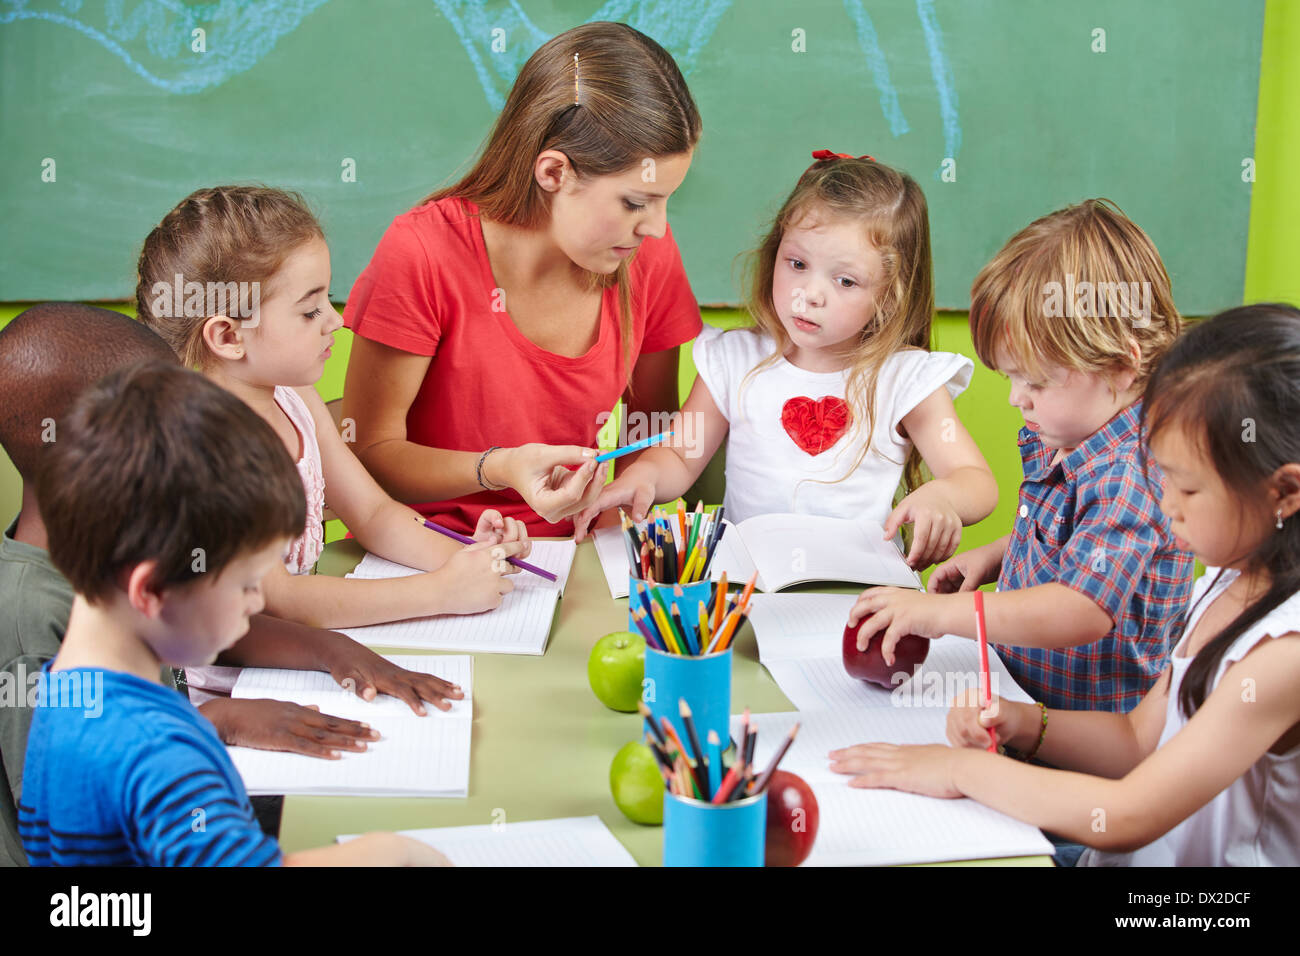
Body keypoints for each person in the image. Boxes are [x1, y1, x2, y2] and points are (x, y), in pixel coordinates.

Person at [830, 303, 1300, 867]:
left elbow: (1129, 814)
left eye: (1187, 488)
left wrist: (961, 770)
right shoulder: (1228, 580)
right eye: (1163, 477)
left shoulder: (1282, 656)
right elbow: (1135, 741)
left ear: (1284, 493)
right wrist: (1025, 722)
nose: (1165, 506)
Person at [19, 361, 449, 865]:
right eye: (247, 584)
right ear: (152, 589)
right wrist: (390, 852)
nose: (257, 602)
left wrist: (211, 722)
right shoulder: (160, 754)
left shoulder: (68, 692)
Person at [341, 22, 705, 536]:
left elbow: (648, 436)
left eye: (667, 200)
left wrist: (617, 506)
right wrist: (499, 468)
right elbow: (368, 455)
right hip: (432, 555)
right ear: (553, 173)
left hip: (578, 554)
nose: (658, 227)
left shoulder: (647, 255)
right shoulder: (423, 253)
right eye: (635, 202)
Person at [576, 151, 997, 569]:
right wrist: (644, 477)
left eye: (845, 280)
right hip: (746, 587)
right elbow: (680, 457)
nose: (809, 293)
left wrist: (944, 497)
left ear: (889, 295)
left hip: (857, 592)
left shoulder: (904, 378)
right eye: (797, 263)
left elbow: (976, 482)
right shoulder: (734, 359)